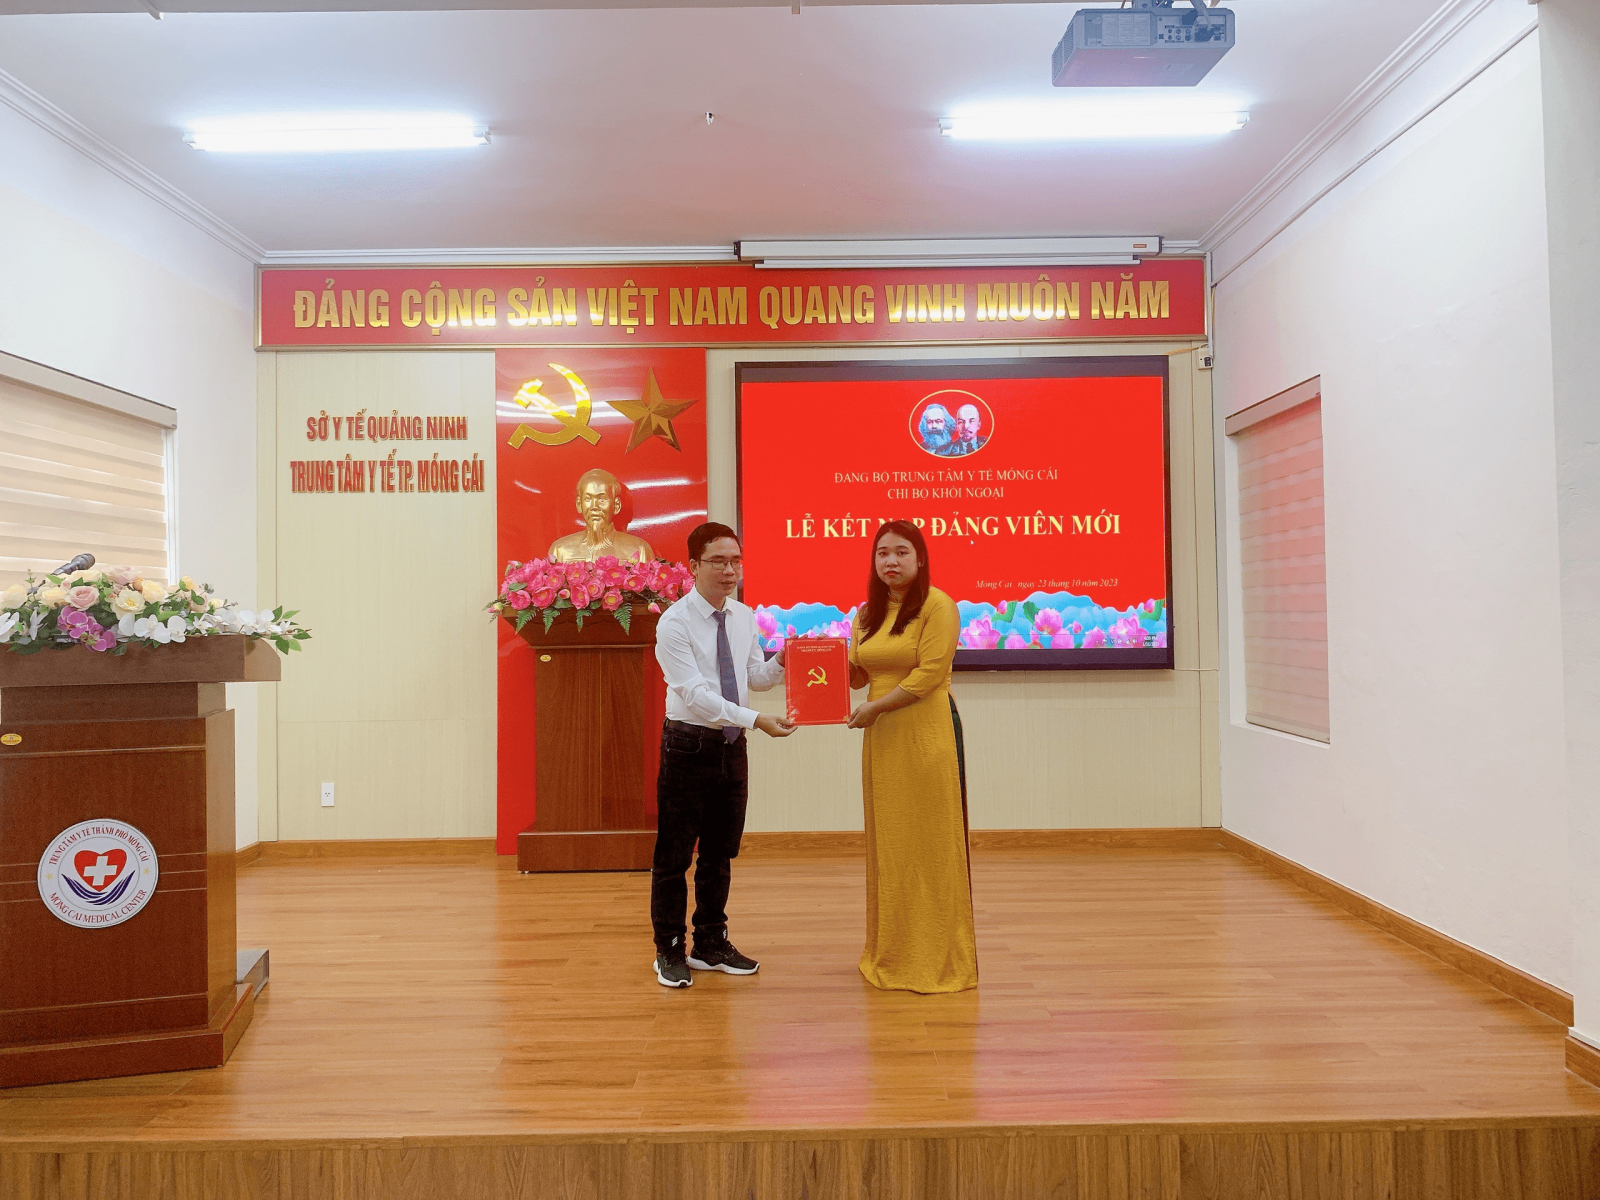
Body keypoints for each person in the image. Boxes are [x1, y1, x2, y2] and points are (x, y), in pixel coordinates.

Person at [651, 521, 796, 988]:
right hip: (688, 744)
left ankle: (710, 943)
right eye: (718, 561)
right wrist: (755, 719)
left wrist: (783, 660)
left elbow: (754, 677)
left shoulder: (744, 616)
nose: (730, 570)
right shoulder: (674, 622)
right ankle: (669, 949)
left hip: (732, 746)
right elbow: (695, 696)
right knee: (675, 856)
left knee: (719, 853)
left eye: (736, 560)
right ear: (693, 566)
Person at [846, 520, 978, 993]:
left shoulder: (938, 606)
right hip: (882, 737)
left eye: (902, 552)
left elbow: (929, 675)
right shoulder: (866, 614)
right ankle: (894, 950)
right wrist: (812, 661)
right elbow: (858, 674)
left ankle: (938, 957)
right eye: (883, 553)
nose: (891, 561)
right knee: (892, 842)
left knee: (930, 843)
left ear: (919, 559)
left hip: (925, 731)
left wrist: (876, 707)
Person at [547, 468, 656, 562]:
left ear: (616, 505)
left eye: (602, 499)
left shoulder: (639, 550)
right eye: (588, 499)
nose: (594, 506)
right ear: (579, 504)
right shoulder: (560, 550)